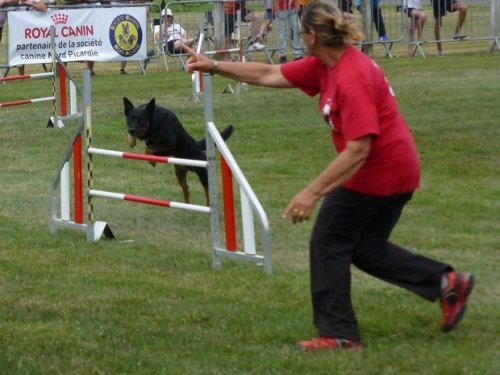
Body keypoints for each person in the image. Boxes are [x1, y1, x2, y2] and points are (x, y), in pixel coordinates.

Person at [182, 0, 474, 351]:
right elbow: (269, 74)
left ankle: (339, 334)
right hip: (393, 168)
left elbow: (359, 149)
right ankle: (447, 283)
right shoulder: (326, 65)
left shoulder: (352, 76)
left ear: (309, 36)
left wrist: (312, 192)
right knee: (365, 248)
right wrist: (212, 65)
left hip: (378, 171)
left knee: (328, 240)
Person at [15, 0, 48, 76]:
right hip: (20, 31)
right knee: (20, 50)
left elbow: (44, 8)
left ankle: (51, 71)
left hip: (35, 31)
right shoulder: (16, 1)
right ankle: (21, 75)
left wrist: (31, 4)